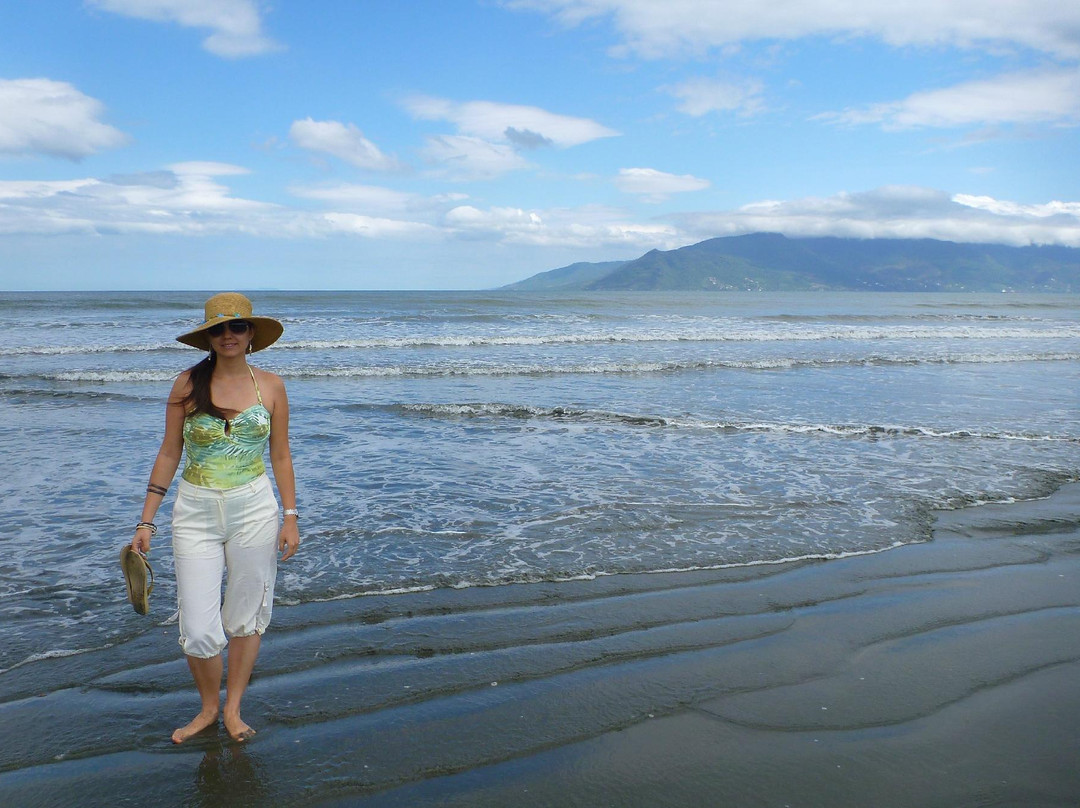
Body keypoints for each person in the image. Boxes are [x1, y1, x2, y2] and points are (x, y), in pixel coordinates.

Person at [131, 292, 300, 743]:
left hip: (255, 508)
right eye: (218, 329)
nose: (228, 335)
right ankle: (206, 708)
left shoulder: (272, 386)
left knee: (246, 615)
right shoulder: (186, 384)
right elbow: (169, 452)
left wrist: (290, 516)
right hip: (195, 509)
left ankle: (232, 709)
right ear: (208, 337)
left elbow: (281, 456)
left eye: (237, 327)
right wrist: (146, 520)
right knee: (199, 627)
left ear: (250, 336)